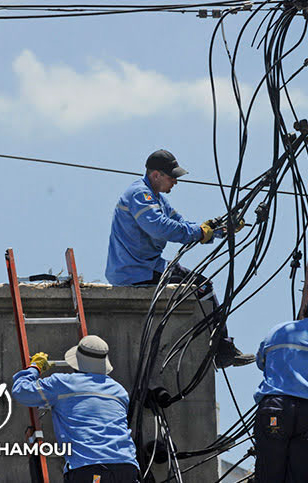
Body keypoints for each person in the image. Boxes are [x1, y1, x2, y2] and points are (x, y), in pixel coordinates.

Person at [105, 148, 253, 368]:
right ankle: (221, 348)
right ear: (156, 175)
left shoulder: (158, 200)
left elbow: (183, 224)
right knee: (202, 287)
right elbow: (160, 228)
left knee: (200, 285)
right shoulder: (140, 194)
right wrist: (200, 232)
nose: (175, 182)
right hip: (136, 270)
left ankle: (220, 345)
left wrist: (221, 229)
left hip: (145, 266)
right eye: (172, 177)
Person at [11, 335, 140, 483]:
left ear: (76, 362)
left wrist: (34, 368)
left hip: (90, 468)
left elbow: (21, 391)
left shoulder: (63, 384)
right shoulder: (119, 390)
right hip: (127, 467)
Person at [253, 288, 308, 483]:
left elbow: (261, 362)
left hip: (275, 407)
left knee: (268, 475)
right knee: (304, 476)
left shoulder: (278, 332)